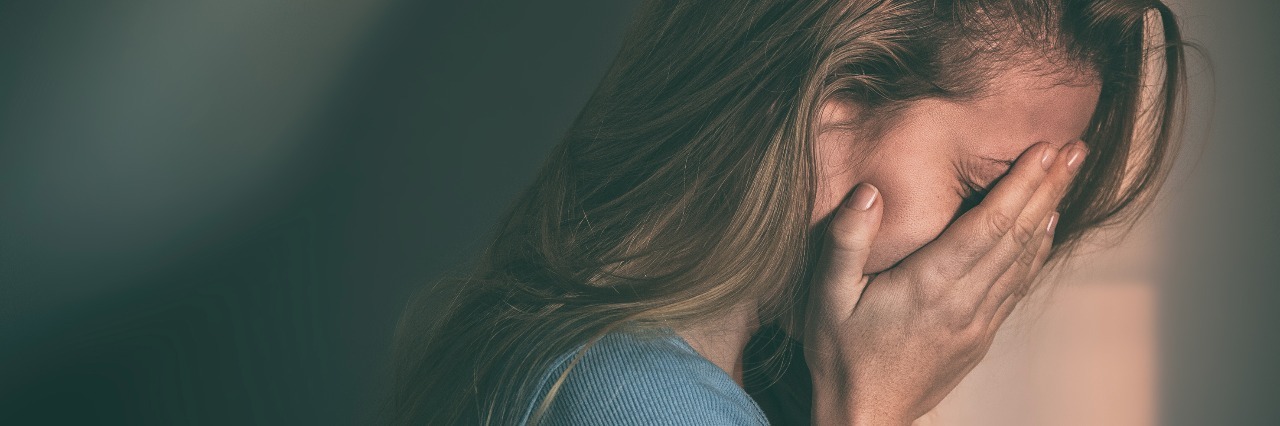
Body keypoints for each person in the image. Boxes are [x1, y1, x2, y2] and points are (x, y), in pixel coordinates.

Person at [384, 0, 1189, 424]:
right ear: (833, 100)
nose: (998, 258)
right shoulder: (643, 405)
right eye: (985, 194)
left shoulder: (586, 352)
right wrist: (870, 413)